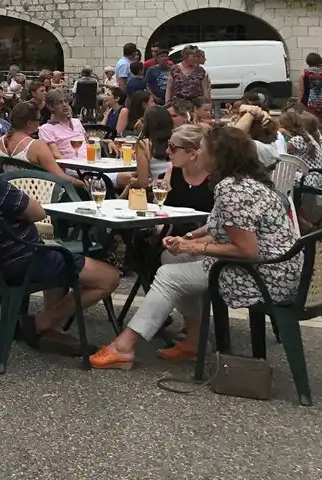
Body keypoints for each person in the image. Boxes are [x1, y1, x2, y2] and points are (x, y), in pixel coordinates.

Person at [90, 124, 300, 369]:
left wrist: (194, 248)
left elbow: (247, 250)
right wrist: (189, 240)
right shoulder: (244, 182)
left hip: (264, 275)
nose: (198, 153)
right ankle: (194, 339)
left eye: (202, 148)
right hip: (279, 268)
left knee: (169, 275)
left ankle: (124, 347)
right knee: (171, 258)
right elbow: (224, 230)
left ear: (218, 156)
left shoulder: (231, 189)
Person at [0, 120, 120, 353]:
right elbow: (37, 213)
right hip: (21, 261)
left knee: (54, 250)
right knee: (109, 278)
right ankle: (39, 323)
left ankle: (51, 329)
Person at [0, 102, 66, 178]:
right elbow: (60, 176)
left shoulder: (1, 141)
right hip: (36, 185)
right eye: (39, 119)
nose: (40, 122)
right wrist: (77, 182)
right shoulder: (37, 146)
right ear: (29, 123)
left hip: (9, 184)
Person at [120, 105, 173, 190]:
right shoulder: (177, 141)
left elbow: (143, 183)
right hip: (178, 189)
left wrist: (131, 181)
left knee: (124, 179)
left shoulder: (144, 144)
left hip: (159, 191)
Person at [164, 123, 213, 212]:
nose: (167, 151)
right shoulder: (171, 171)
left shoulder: (215, 178)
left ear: (192, 154)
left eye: (172, 147)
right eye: (168, 145)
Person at [38, 89, 87, 161]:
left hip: (91, 163)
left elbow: (88, 145)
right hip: (71, 166)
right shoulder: (46, 129)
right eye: (59, 103)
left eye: (65, 101)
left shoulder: (77, 122)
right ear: (51, 107)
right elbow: (56, 154)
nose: (64, 105)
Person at [299, 52, 322, 124]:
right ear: (319, 61)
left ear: (307, 61)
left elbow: (301, 90)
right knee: (321, 124)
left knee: (308, 123)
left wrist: (298, 102)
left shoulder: (304, 73)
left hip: (307, 102)